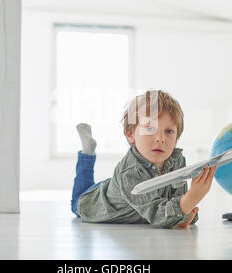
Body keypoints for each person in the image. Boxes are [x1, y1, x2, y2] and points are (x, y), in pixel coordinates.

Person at [71, 89, 216, 229]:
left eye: (169, 131)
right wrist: (193, 197)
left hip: (117, 188)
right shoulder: (130, 173)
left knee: (113, 185)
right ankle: (87, 153)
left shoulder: (177, 161)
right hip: (92, 203)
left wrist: (184, 217)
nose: (160, 139)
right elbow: (158, 215)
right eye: (150, 129)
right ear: (130, 134)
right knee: (78, 198)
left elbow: (177, 205)